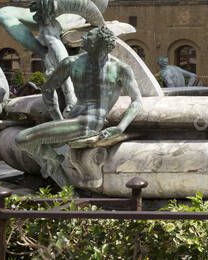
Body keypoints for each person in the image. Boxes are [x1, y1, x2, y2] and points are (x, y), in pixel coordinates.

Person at [14, 26, 142, 187]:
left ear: (99, 42)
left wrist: (120, 127)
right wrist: (57, 118)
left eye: (89, 36)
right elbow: (47, 88)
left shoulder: (120, 68)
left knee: (22, 139)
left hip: (91, 122)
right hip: (73, 119)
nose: (84, 38)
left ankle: (56, 164)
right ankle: (66, 186)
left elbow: (137, 101)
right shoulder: (71, 62)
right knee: (28, 143)